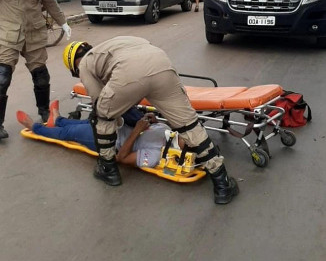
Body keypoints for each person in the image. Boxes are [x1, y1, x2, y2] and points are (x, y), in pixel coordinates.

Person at [62, 37, 239, 204]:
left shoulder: (85, 64)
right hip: (161, 63)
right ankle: (222, 183)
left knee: (101, 117)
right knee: (189, 125)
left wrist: (109, 114)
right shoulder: (113, 46)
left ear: (74, 66)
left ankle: (108, 169)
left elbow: (99, 100)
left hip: (128, 72)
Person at [0, 0, 72, 140]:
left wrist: (63, 22)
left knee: (41, 75)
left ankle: (44, 112)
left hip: (34, 33)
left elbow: (49, 0)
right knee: (2, 77)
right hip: (8, 34)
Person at [16, 102, 179, 170]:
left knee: (69, 133)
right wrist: (153, 121)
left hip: (110, 142)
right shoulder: (168, 132)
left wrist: (137, 130)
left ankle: (34, 127)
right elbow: (149, 129)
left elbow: (121, 158)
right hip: (115, 127)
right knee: (84, 125)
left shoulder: (157, 155)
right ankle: (57, 119)